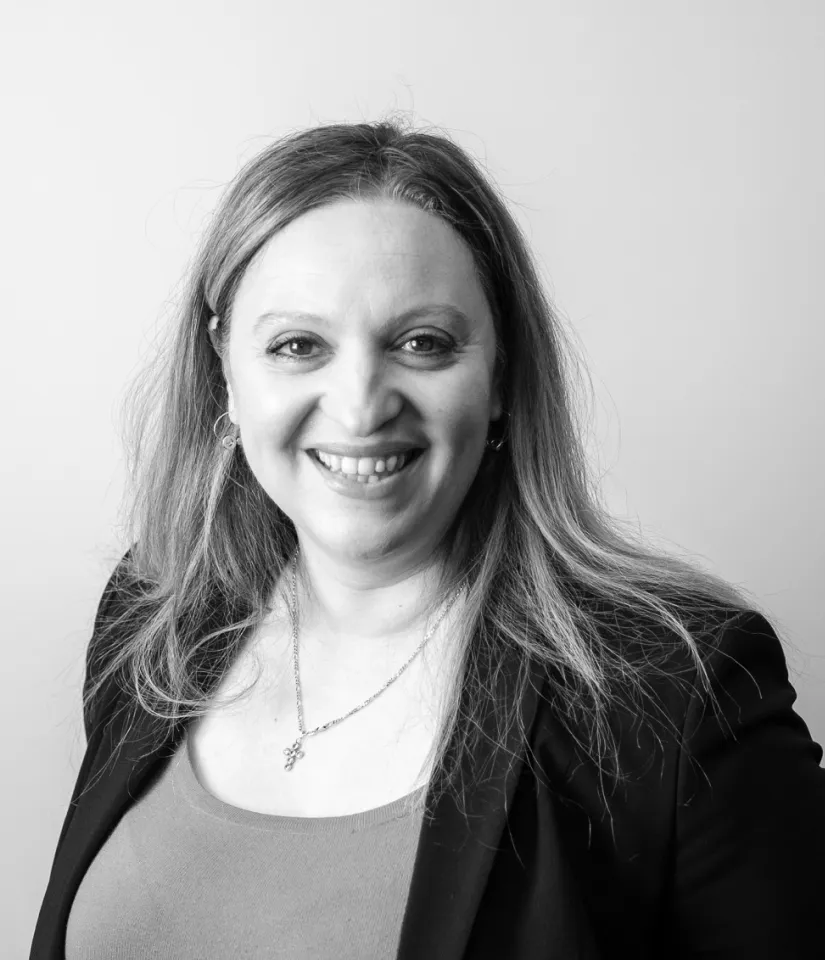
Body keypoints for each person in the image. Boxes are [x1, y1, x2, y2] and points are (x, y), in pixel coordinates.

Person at [31, 119, 824, 960]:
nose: (362, 405)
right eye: (298, 345)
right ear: (224, 370)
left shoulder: (673, 690)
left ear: (500, 379)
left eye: (422, 343)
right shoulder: (152, 618)